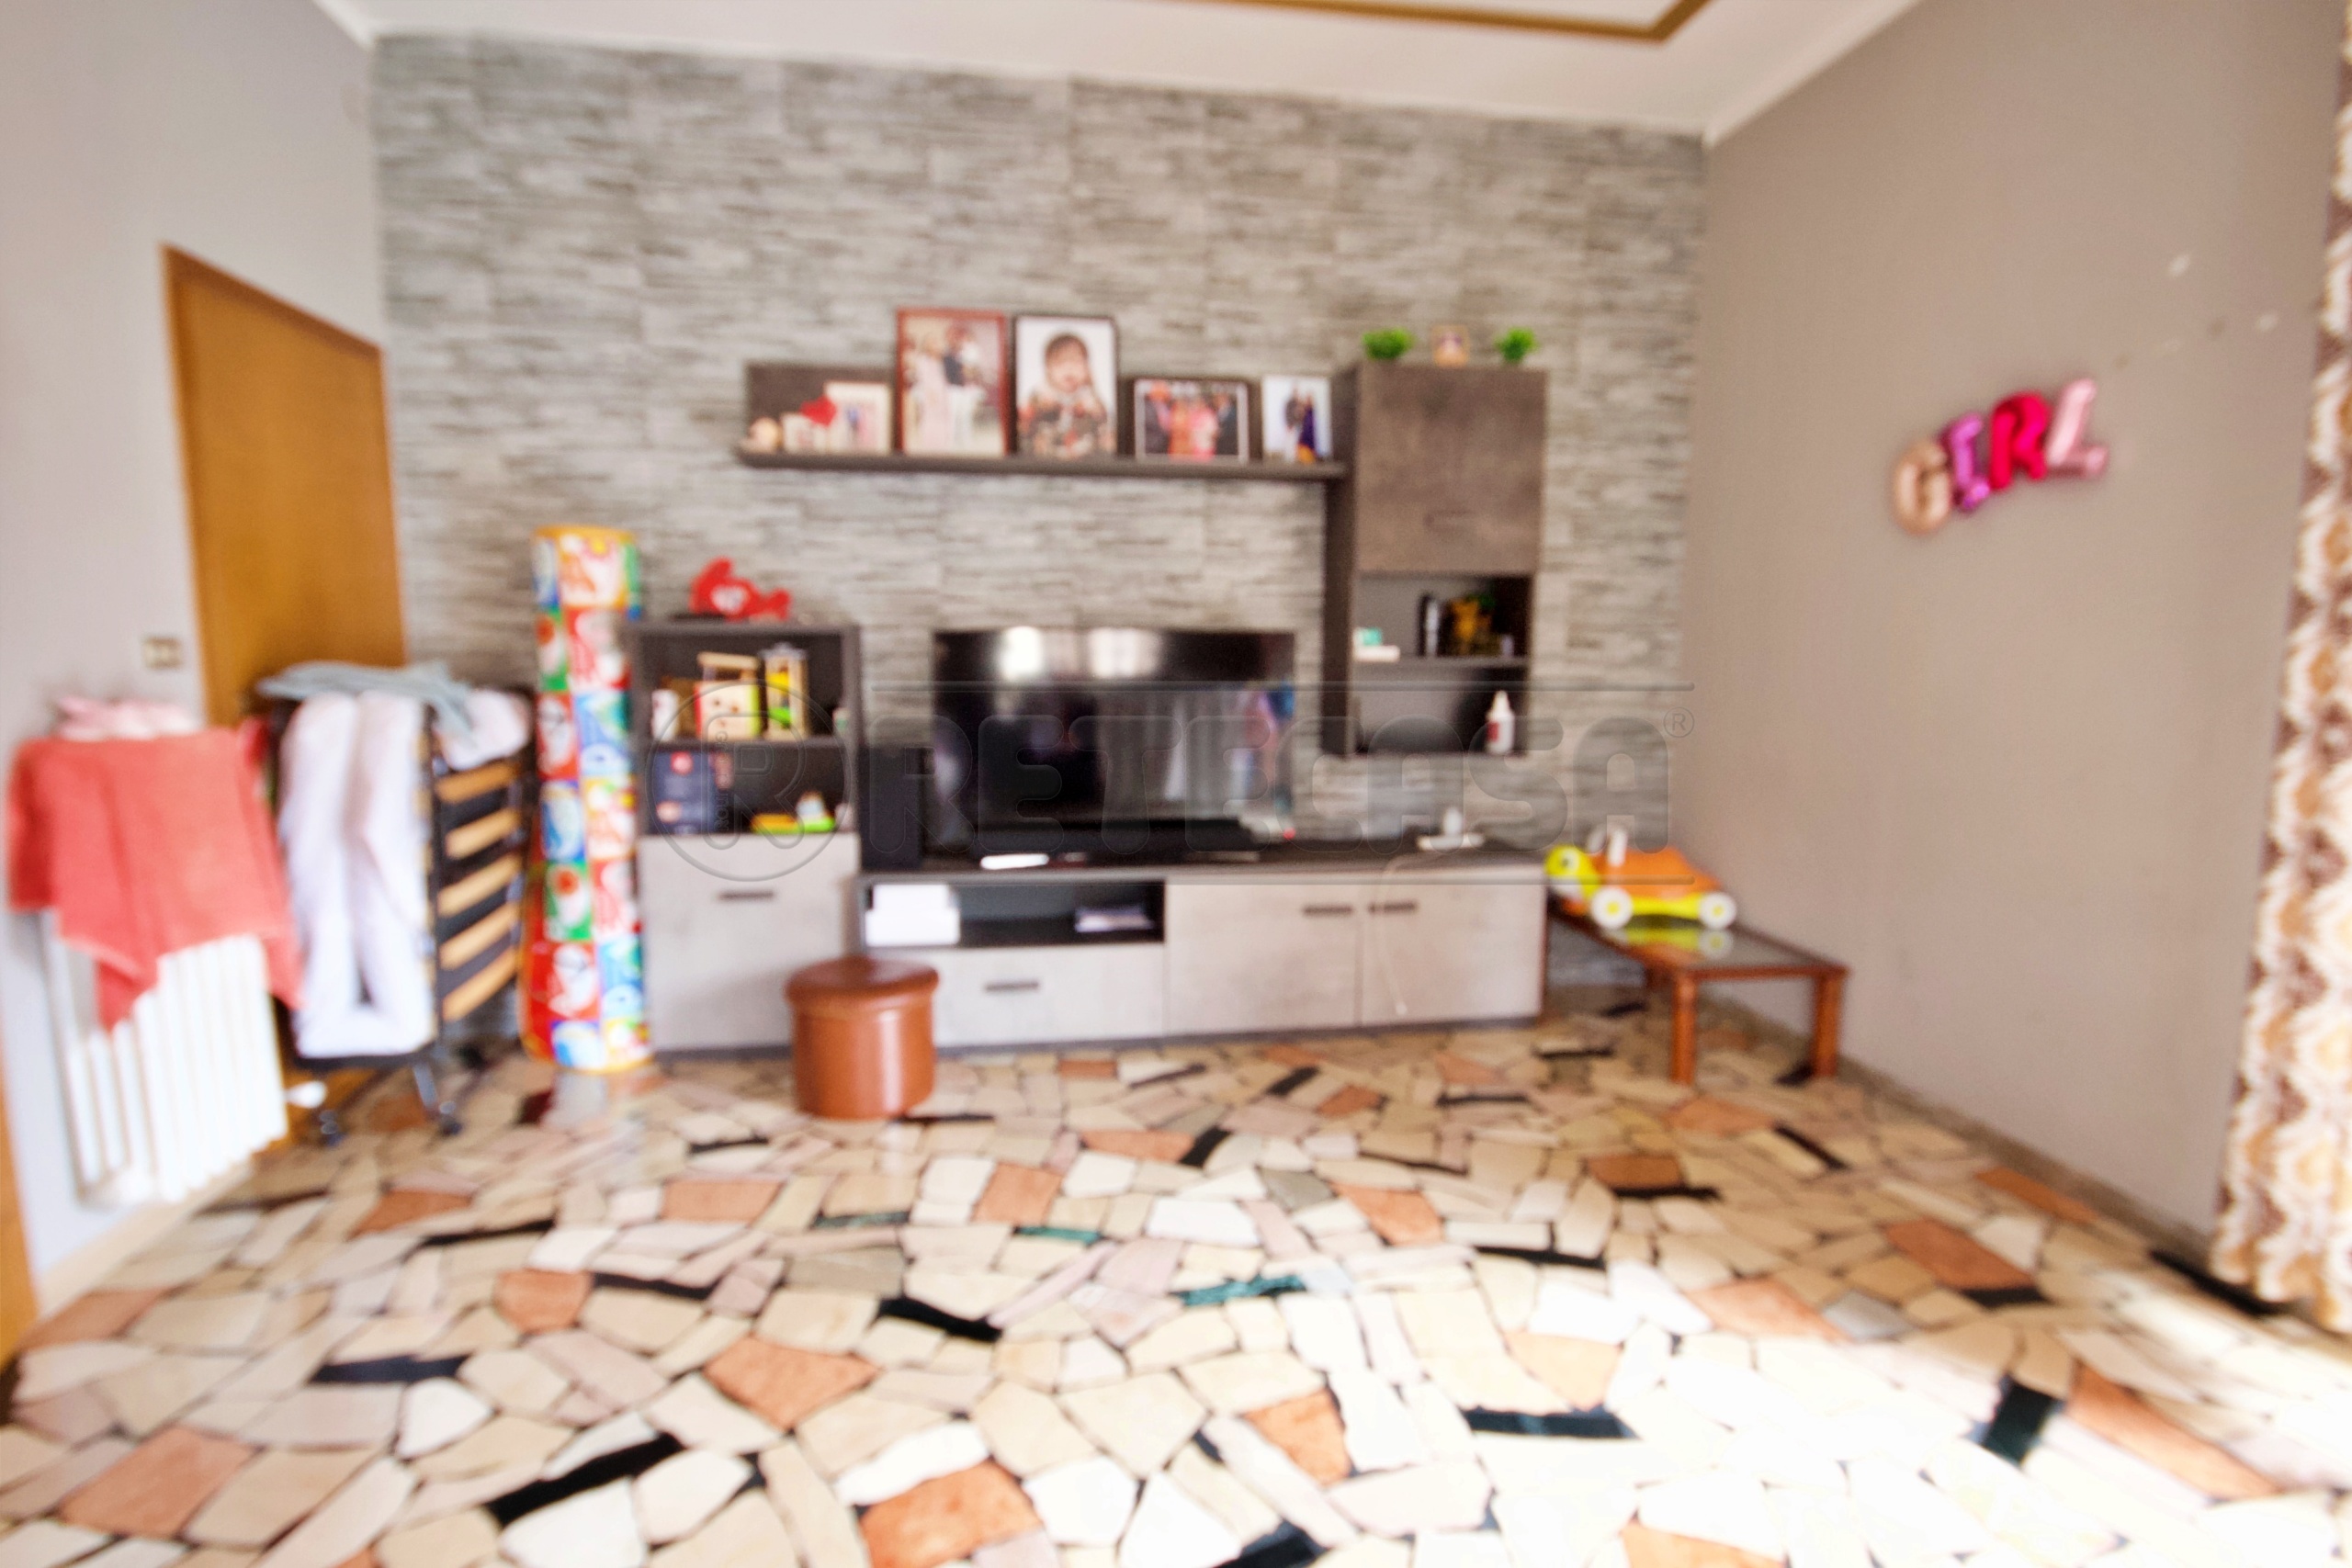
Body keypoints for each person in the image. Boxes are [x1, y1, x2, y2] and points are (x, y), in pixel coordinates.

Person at [1019, 333, 1112, 458]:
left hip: (1085, 462)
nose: (1068, 369)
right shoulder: (1037, 401)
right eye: (1060, 363)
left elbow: (1106, 442)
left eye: (1076, 362)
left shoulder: (1094, 405)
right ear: (1048, 368)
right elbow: (1022, 437)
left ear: (1087, 367)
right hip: (1044, 462)